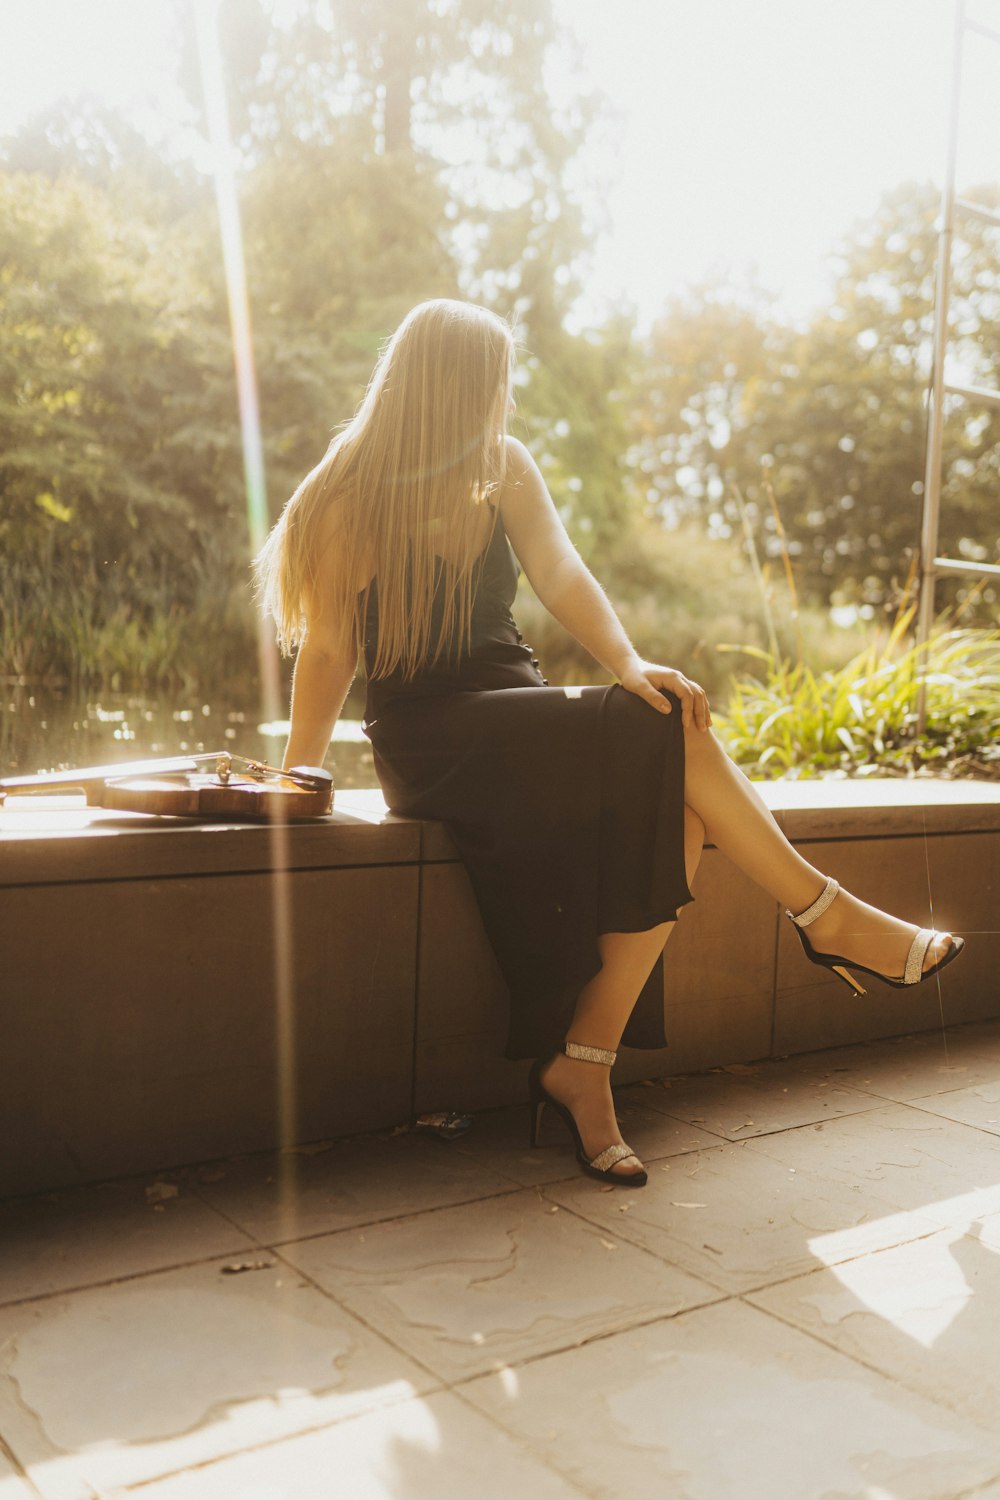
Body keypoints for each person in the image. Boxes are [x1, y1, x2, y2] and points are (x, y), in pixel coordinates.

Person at [255, 297, 964, 1189]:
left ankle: (583, 1066)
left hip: (516, 708)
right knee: (656, 734)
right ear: (447, 386)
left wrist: (628, 660)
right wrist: (299, 773)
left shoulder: (500, 467)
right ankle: (826, 917)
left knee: (669, 747)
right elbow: (327, 650)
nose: (501, 401)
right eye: (491, 383)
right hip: (431, 736)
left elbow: (557, 569)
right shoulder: (349, 492)